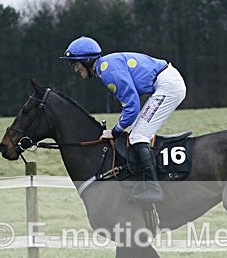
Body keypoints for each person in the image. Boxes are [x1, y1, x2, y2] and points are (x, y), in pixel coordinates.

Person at [60, 36, 186, 202]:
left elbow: (132, 106)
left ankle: (154, 189)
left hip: (168, 86)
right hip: (165, 82)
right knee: (136, 132)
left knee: (137, 136)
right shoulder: (105, 67)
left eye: (75, 63)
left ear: (87, 60)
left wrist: (115, 131)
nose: (75, 69)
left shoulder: (107, 71)